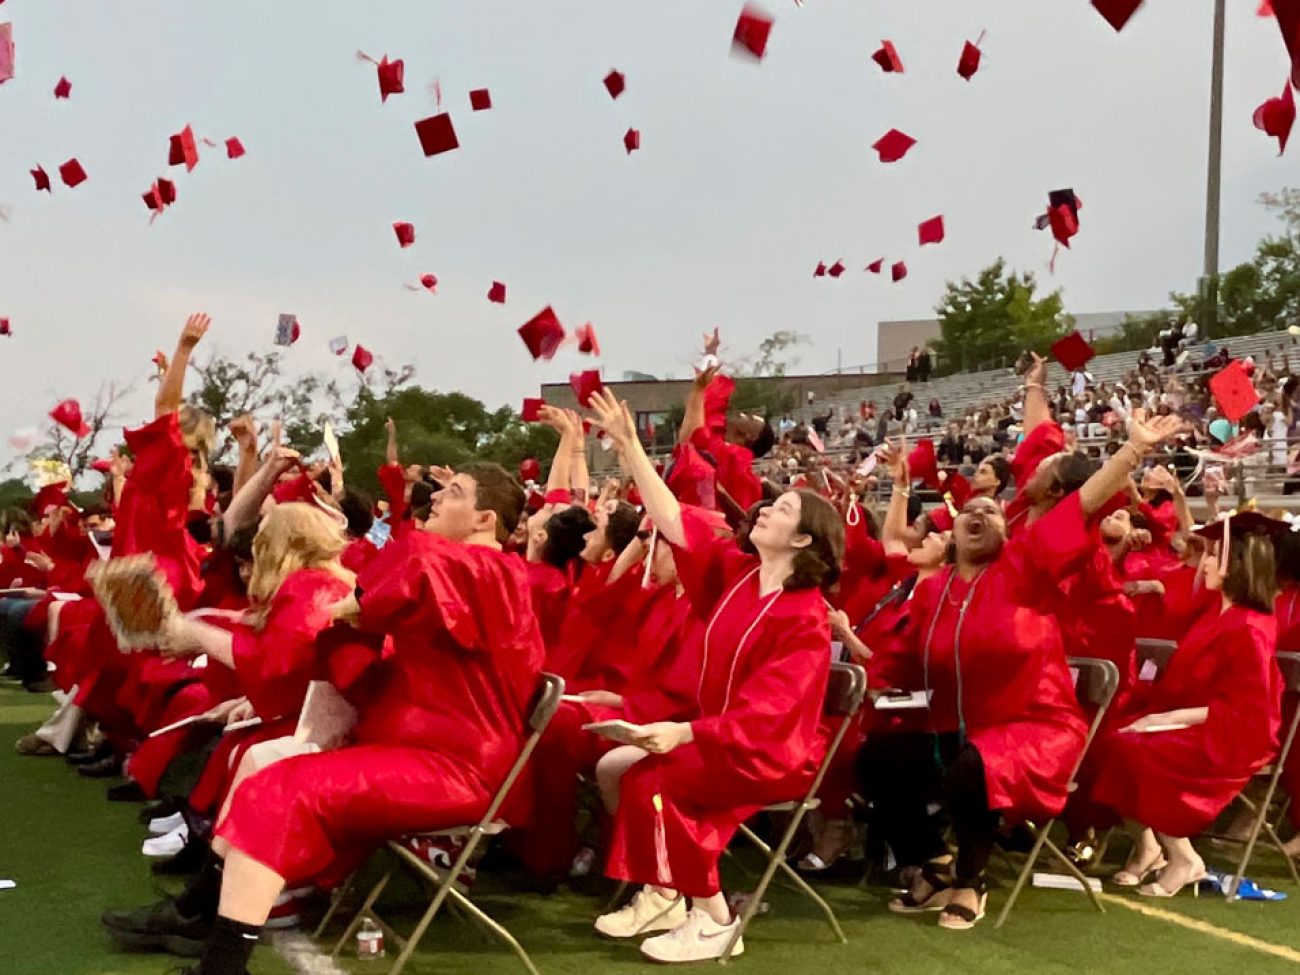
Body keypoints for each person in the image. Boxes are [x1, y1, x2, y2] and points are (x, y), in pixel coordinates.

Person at [106, 462, 544, 975]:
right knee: (266, 778)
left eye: (454, 493)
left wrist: (350, 605)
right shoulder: (473, 570)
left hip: (457, 767)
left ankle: (218, 961)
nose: (437, 499)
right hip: (424, 753)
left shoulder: (491, 571)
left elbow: (409, 565)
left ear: (484, 518)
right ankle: (205, 932)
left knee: (279, 788)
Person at [857, 410, 1186, 930]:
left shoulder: (1023, 569)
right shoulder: (935, 591)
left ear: (1007, 530)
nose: (980, 514)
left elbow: (1079, 505)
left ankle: (971, 878)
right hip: (953, 729)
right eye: (970, 509)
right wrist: (866, 683)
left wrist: (1132, 452)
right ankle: (936, 860)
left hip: (1034, 727)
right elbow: (897, 663)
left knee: (975, 765)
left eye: (992, 511)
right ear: (952, 530)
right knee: (876, 758)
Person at [585, 388, 844, 964]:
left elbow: (770, 713)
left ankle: (714, 916)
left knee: (657, 783)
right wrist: (629, 449)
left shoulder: (804, 619)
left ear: (802, 540)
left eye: (781, 511)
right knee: (640, 776)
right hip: (720, 739)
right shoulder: (736, 572)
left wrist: (685, 733)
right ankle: (673, 899)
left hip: (769, 751)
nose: (766, 509)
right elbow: (673, 520)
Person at [1078, 510, 1284, 897]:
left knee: (1134, 747)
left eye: (1212, 555)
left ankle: (1183, 856)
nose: (1203, 562)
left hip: (1235, 732)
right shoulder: (1215, 613)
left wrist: (1162, 720)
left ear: (1235, 565)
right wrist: (1155, 716)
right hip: (1197, 719)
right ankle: (1150, 846)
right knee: (1104, 743)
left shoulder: (1251, 628)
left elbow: (1245, 708)